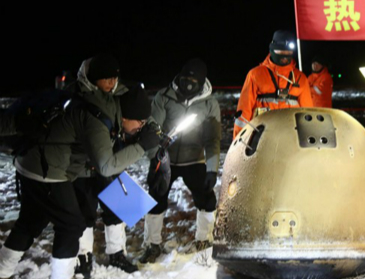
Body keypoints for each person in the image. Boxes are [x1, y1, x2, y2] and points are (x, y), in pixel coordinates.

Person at [0, 84, 159, 279]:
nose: (110, 82)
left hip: (37, 162)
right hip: (49, 168)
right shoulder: (98, 115)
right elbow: (105, 165)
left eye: (114, 78)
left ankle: (3, 270)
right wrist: (142, 146)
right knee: (72, 225)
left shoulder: (109, 104)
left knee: (31, 221)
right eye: (140, 122)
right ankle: (71, 268)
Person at [139, 58, 221, 264]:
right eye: (185, 79)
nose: (189, 84)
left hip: (194, 159)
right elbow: (152, 128)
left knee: (206, 199)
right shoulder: (164, 97)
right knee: (156, 198)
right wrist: (154, 161)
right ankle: (152, 243)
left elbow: (213, 139)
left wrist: (211, 170)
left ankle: (204, 239)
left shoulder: (210, 103)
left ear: (202, 82)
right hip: (165, 158)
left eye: (194, 81)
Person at [67, 55, 138, 277]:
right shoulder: (75, 93)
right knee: (84, 211)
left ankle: (117, 253)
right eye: (105, 79)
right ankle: (83, 256)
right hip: (81, 166)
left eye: (113, 78)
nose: (110, 83)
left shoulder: (119, 93)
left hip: (111, 159)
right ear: (92, 78)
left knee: (116, 208)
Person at [233, 30, 313, 138]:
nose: (284, 56)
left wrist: (309, 138)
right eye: (280, 52)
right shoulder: (255, 75)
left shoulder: (300, 78)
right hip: (261, 135)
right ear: (271, 50)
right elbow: (244, 111)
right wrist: (238, 141)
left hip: (290, 136)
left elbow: (308, 113)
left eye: (288, 52)